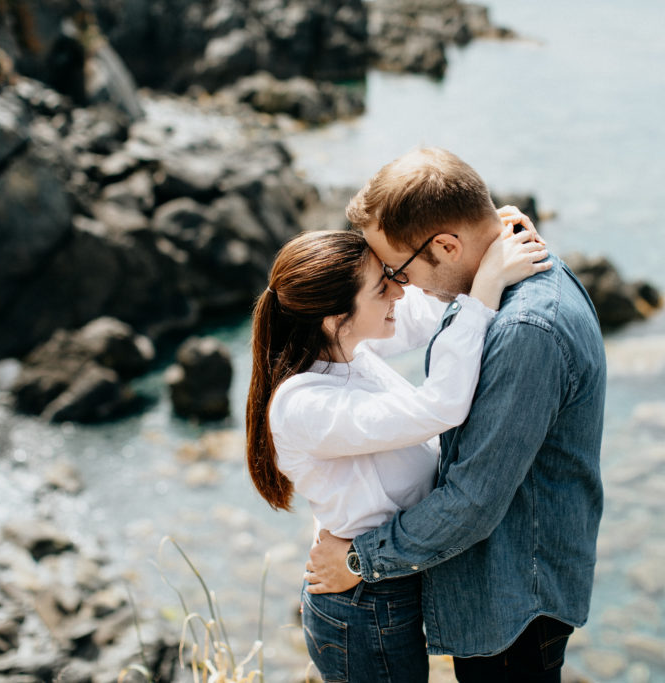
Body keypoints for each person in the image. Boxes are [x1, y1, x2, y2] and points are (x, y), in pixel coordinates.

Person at [306, 147, 607, 683]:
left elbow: (473, 501)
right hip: (510, 586)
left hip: (513, 599)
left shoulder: (525, 331)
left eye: (397, 269)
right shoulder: (519, 275)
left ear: (447, 245)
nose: (398, 287)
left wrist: (359, 560)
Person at [245, 226, 550, 683]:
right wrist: (484, 290)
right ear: (333, 317)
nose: (398, 289)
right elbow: (440, 406)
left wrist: (485, 242)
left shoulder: (346, 350)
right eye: (381, 285)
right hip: (362, 607)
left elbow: (427, 313)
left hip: (380, 584)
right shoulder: (304, 404)